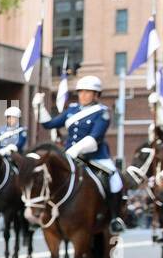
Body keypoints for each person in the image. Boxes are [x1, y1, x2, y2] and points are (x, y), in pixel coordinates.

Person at [34, 75, 125, 233]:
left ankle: (115, 218)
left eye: (88, 92)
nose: (83, 95)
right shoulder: (72, 110)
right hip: (70, 157)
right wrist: (39, 107)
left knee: (115, 180)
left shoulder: (102, 113)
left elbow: (95, 137)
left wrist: (74, 150)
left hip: (95, 157)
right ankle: (42, 212)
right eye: (81, 92)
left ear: (96, 95)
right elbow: (49, 124)